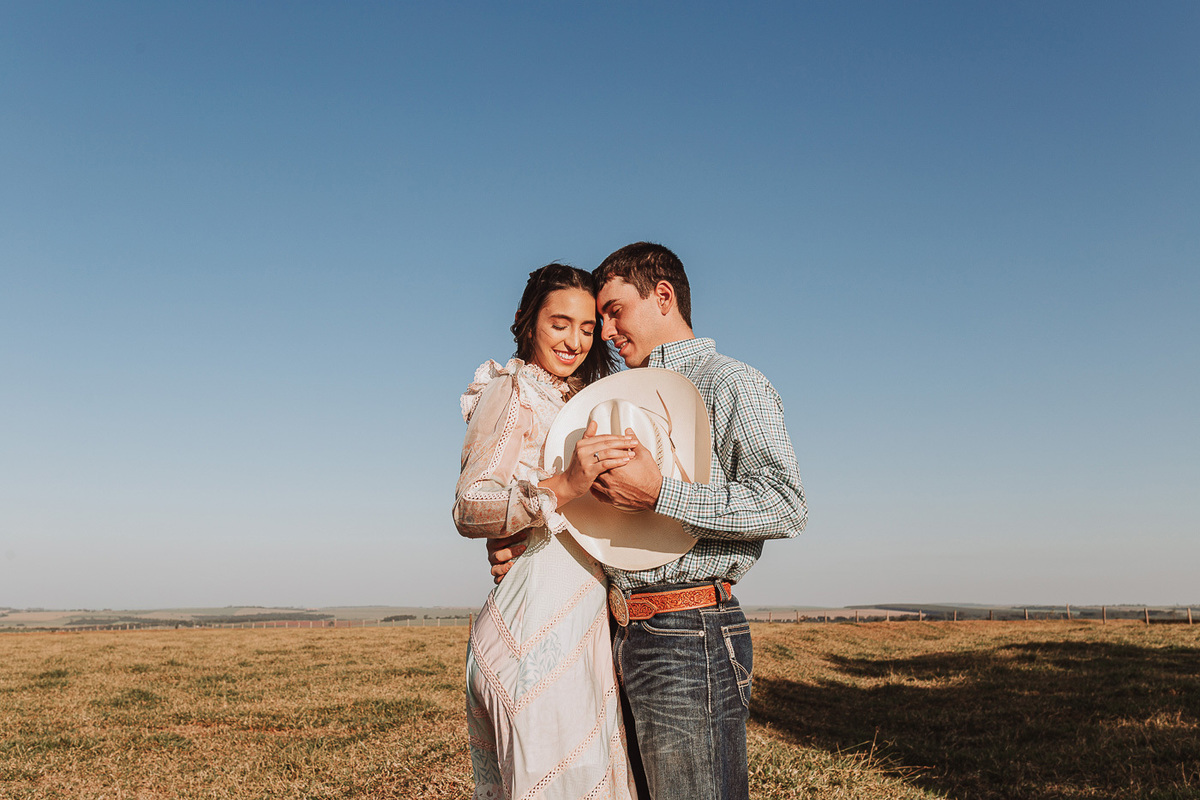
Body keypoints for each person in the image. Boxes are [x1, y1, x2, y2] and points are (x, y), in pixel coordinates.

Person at [489, 243, 807, 800]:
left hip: (689, 633)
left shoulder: (733, 384)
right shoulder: (605, 398)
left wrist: (664, 494)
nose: (605, 332)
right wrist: (525, 542)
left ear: (663, 296)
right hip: (611, 635)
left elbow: (785, 503)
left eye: (614, 311)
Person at [453, 263, 640, 800]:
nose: (575, 341)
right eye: (560, 323)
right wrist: (561, 485)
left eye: (587, 328)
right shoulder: (511, 391)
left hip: (584, 630)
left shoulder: (583, 400)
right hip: (534, 627)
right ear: (528, 321)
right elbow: (470, 506)